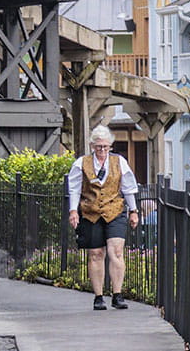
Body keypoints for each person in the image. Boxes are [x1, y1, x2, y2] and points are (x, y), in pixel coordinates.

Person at [68, 124, 139, 310]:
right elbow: (74, 189)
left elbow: (128, 187)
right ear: (92, 146)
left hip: (115, 211)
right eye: (99, 146)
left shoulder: (119, 162)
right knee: (95, 254)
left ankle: (117, 294)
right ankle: (98, 296)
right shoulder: (81, 163)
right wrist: (73, 211)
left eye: (106, 147)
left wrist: (134, 211)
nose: (102, 150)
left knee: (115, 251)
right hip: (91, 212)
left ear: (110, 146)